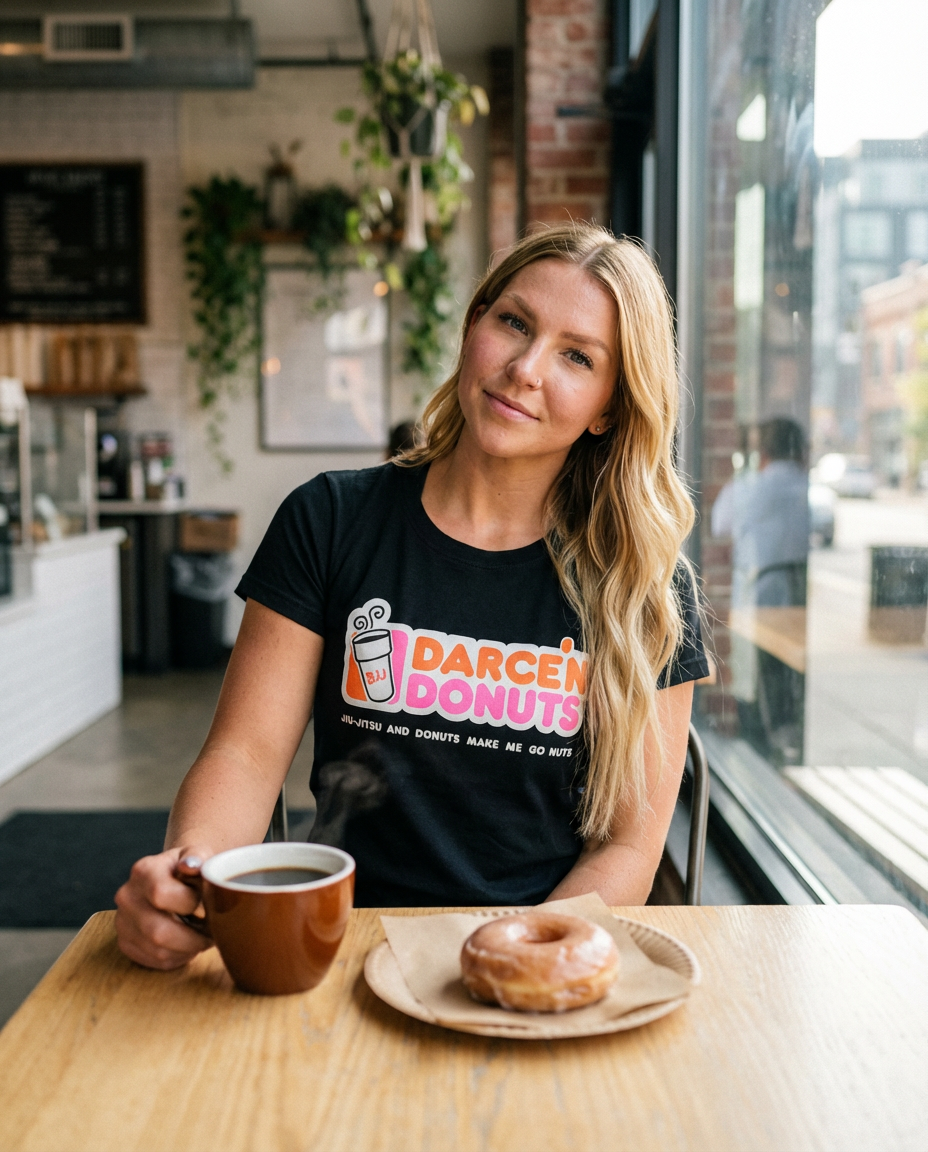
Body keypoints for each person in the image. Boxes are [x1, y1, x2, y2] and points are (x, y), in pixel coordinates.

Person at [116, 222, 708, 971]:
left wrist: (510, 956)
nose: (525, 368)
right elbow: (244, 753)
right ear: (474, 327)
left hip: (534, 954)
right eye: (514, 323)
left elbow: (629, 845)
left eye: (577, 356)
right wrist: (191, 873)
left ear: (610, 408)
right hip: (337, 945)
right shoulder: (329, 519)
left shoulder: (644, 586)